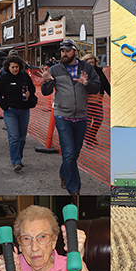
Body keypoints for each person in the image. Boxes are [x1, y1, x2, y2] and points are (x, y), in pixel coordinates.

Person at [40, 39, 100, 198]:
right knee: (68, 152)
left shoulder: (86, 67)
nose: (63, 54)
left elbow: (97, 87)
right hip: (62, 116)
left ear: (74, 51)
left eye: (66, 50)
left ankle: (63, 173)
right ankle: (74, 189)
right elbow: (46, 91)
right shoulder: (55, 69)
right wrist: (47, 81)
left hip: (81, 116)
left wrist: (87, 84)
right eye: (62, 51)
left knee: (74, 153)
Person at [0, 54, 37, 172]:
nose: (15, 69)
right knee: (14, 137)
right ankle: (16, 161)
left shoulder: (25, 77)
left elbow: (32, 89)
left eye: (17, 67)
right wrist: (5, 106)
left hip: (24, 110)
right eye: (12, 67)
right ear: (8, 67)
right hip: (10, 111)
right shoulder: (4, 79)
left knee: (22, 138)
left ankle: (19, 157)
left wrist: (29, 94)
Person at [81, 53, 109, 145]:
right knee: (87, 121)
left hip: (98, 100)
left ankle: (92, 136)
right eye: (89, 62)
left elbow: (105, 84)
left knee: (99, 119)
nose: (92, 64)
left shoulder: (99, 72)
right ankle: (88, 140)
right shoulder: (82, 72)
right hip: (87, 101)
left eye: (93, 62)